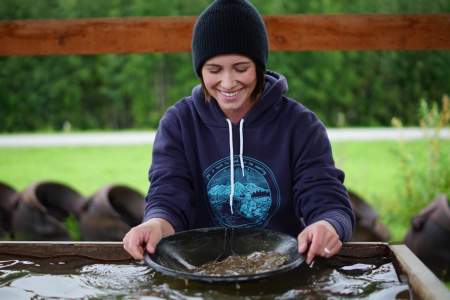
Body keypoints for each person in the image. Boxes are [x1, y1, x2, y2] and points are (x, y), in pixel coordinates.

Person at [123, 0, 354, 265]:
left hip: (280, 267)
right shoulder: (179, 123)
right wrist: (155, 224)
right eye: (214, 70)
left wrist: (328, 225)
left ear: (259, 66)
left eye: (241, 68)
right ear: (200, 70)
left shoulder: (301, 125)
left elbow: (326, 198)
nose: (229, 82)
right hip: (197, 269)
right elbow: (169, 193)